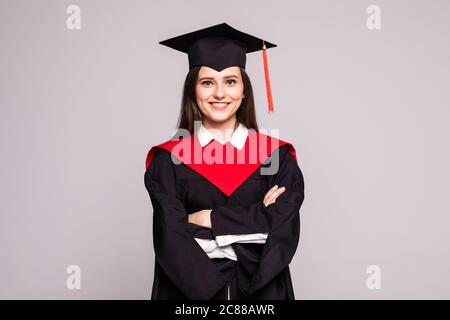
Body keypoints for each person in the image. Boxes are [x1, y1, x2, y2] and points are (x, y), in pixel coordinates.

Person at [144, 23, 305, 300]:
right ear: (193, 90)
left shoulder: (275, 157)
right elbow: (171, 239)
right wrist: (254, 223)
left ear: (244, 91)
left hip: (261, 295)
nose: (220, 93)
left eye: (230, 81)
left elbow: (281, 234)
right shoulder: (168, 161)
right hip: (190, 296)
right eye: (207, 82)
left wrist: (208, 219)